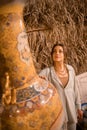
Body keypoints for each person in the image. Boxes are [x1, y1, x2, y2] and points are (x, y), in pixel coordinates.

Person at [39, 43, 83, 130]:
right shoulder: (47, 72)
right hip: (57, 115)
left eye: (60, 51)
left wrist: (78, 107)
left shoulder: (71, 70)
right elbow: (35, 79)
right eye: (54, 52)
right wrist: (40, 80)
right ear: (51, 55)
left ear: (64, 55)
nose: (57, 53)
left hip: (72, 113)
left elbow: (76, 90)